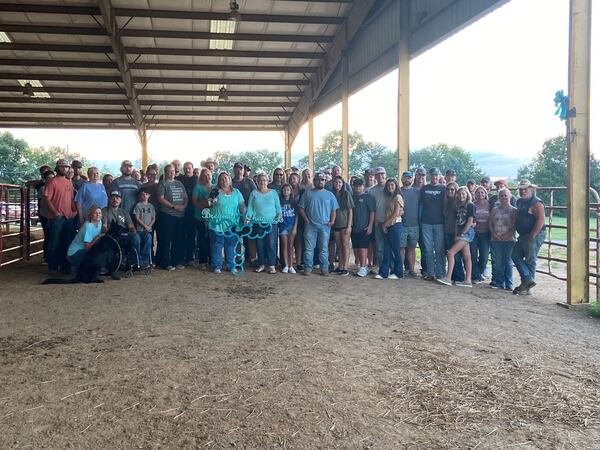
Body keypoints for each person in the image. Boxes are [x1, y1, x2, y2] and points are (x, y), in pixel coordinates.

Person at [298, 172, 339, 276]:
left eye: (322, 180)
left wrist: (332, 221)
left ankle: (324, 268)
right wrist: (306, 219)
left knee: (324, 248)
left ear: (325, 181)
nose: (320, 181)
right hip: (310, 225)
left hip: (325, 226)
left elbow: (334, 209)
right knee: (308, 248)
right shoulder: (307, 193)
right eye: (318, 180)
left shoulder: (329, 194)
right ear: (314, 181)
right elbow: (301, 208)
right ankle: (308, 267)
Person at [512, 179, 546, 295]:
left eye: (525, 189)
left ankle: (527, 285)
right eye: (521, 189)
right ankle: (527, 280)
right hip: (524, 235)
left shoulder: (536, 203)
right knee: (515, 255)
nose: (523, 191)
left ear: (531, 189)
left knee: (530, 259)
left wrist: (532, 236)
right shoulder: (520, 201)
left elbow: (541, 220)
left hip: (533, 234)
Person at [207, 172, 245, 274]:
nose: (224, 180)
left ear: (229, 180)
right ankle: (217, 266)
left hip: (232, 224)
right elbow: (209, 204)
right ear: (219, 181)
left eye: (226, 178)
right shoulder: (215, 191)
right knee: (216, 246)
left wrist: (245, 216)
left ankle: (231, 266)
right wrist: (212, 202)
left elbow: (242, 206)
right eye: (221, 179)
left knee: (231, 246)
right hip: (216, 224)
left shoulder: (236, 192)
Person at [43, 159, 76, 274]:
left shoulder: (69, 182)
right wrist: (55, 212)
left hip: (68, 217)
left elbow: (71, 199)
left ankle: (65, 266)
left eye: (66, 167)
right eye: (62, 167)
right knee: (54, 242)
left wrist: (74, 211)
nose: (64, 169)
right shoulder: (52, 182)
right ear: (57, 168)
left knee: (67, 242)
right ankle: (52, 266)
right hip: (56, 218)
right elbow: (46, 198)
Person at [438, 186, 475, 287]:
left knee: (451, 252)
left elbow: (470, 221)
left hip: (466, 233)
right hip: (460, 232)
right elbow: (457, 222)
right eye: (459, 194)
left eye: (463, 194)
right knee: (467, 256)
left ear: (467, 194)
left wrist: (462, 234)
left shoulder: (470, 205)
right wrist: (456, 234)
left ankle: (448, 278)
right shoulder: (458, 206)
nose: (461, 196)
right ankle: (468, 280)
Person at [247, 173, 282, 274]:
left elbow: (278, 207)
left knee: (271, 243)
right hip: (258, 222)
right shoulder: (254, 193)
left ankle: (272, 265)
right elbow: (250, 207)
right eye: (260, 180)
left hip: (272, 223)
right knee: (260, 244)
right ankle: (261, 264)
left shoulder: (273, 192)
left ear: (268, 181)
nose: (262, 182)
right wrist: (248, 217)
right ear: (257, 182)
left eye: (264, 180)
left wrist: (279, 215)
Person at [156, 164, 188, 270]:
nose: (172, 173)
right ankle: (165, 262)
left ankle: (177, 261)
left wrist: (184, 206)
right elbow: (161, 198)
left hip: (180, 215)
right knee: (166, 239)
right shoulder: (162, 184)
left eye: (173, 171)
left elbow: (185, 197)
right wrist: (173, 207)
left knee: (178, 239)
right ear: (165, 173)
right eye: (169, 171)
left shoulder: (179, 183)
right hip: (167, 214)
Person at [375, 178, 404, 280]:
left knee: (396, 250)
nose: (390, 187)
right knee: (386, 250)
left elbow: (396, 213)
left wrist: (384, 224)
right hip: (389, 226)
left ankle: (399, 273)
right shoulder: (389, 198)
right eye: (388, 186)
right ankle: (384, 272)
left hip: (395, 226)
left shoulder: (398, 197)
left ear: (396, 186)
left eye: (392, 185)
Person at [102, 190, 141, 266]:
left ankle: (142, 260)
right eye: (113, 197)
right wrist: (110, 234)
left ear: (121, 200)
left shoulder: (124, 212)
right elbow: (104, 226)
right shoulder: (104, 211)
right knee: (135, 237)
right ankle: (134, 263)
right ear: (109, 199)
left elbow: (131, 226)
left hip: (126, 234)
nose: (115, 200)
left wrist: (134, 232)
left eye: (117, 198)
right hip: (114, 236)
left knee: (146, 236)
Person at [421, 168, 446, 280]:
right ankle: (431, 273)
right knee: (428, 249)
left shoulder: (443, 189)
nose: (434, 177)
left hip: (439, 223)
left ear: (439, 176)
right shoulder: (424, 189)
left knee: (439, 249)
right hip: (426, 223)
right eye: (433, 175)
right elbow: (420, 205)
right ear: (429, 176)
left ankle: (440, 273)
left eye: (436, 175)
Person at [489, 187, 517, 290]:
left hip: (509, 240)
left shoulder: (514, 210)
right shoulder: (494, 209)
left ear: (509, 196)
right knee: (499, 262)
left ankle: (509, 283)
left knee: (508, 261)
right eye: (501, 195)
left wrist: (507, 235)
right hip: (496, 239)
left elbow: (514, 226)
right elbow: (490, 223)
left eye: (505, 195)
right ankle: (499, 283)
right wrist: (494, 234)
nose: (503, 197)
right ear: (498, 197)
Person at [330, 176, 354, 276]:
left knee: (345, 245)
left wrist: (349, 226)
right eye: (336, 182)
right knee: (339, 246)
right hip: (336, 224)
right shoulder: (331, 195)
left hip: (345, 224)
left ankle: (345, 267)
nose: (338, 184)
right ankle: (340, 266)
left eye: (340, 182)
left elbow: (350, 210)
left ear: (342, 184)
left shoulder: (346, 194)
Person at [351, 178, 375, 277]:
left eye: (360, 186)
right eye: (356, 186)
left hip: (364, 227)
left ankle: (364, 267)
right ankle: (360, 266)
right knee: (356, 247)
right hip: (354, 227)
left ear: (363, 186)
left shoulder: (368, 197)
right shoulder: (352, 197)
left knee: (363, 248)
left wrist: (370, 226)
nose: (358, 188)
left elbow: (372, 212)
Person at [176, 161, 198, 266]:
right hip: (181, 209)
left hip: (192, 209)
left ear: (193, 169)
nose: (187, 169)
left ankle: (190, 257)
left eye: (189, 168)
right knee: (181, 234)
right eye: (185, 168)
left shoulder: (197, 180)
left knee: (192, 234)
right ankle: (181, 256)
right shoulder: (179, 179)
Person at [399, 171, 420, 277]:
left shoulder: (417, 192)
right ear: (402, 179)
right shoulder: (398, 191)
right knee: (401, 248)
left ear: (412, 179)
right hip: (401, 224)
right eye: (405, 178)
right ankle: (400, 269)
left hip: (414, 225)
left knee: (412, 248)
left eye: (409, 178)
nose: (407, 179)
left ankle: (411, 270)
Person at [443, 181, 465, 282]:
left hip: (456, 233)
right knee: (450, 255)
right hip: (447, 231)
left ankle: (459, 277)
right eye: (448, 189)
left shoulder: (458, 203)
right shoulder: (446, 202)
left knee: (456, 255)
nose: (450, 191)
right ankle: (453, 275)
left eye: (452, 189)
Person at [191, 168, 212, 270]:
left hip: (213, 218)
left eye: (208, 174)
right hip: (200, 217)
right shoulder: (198, 187)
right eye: (204, 175)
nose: (207, 177)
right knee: (202, 238)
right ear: (201, 176)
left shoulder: (214, 187)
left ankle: (212, 260)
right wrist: (203, 209)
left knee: (211, 238)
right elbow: (194, 201)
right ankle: (202, 261)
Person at [368, 167, 388, 274]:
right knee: (379, 247)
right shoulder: (372, 191)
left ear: (385, 175)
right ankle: (381, 267)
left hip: (391, 223)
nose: (380, 176)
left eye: (382, 174)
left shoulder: (391, 187)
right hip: (378, 222)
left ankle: (391, 267)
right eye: (378, 174)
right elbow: (371, 209)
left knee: (391, 247)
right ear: (375, 176)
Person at [471, 186, 491, 283]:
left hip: (485, 233)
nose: (480, 194)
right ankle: (476, 276)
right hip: (474, 233)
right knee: (473, 254)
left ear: (485, 194)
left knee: (484, 256)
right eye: (478, 193)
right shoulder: (472, 205)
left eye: (482, 192)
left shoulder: (489, 205)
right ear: (475, 194)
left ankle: (477, 273)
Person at [132, 188, 155, 268]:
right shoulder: (138, 205)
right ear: (140, 196)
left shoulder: (151, 206)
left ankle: (144, 261)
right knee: (137, 242)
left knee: (148, 242)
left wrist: (149, 226)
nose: (144, 196)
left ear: (149, 196)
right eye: (142, 194)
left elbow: (153, 218)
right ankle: (138, 260)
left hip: (148, 230)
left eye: (146, 194)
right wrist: (145, 226)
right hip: (139, 230)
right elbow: (137, 218)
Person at [279, 184, 298, 274]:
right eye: (284, 190)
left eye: (288, 190)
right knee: (284, 245)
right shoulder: (280, 202)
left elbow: (297, 216)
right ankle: (286, 265)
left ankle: (291, 265)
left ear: (291, 191)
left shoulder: (294, 202)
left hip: (291, 226)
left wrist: (295, 227)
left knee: (291, 246)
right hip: (282, 226)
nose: (286, 192)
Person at [37, 169, 54, 262]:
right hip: (45, 215)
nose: (51, 180)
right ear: (45, 179)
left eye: (52, 178)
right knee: (48, 235)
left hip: (52, 214)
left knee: (52, 236)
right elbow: (44, 202)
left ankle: (51, 257)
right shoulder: (42, 189)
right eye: (48, 178)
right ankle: (47, 257)